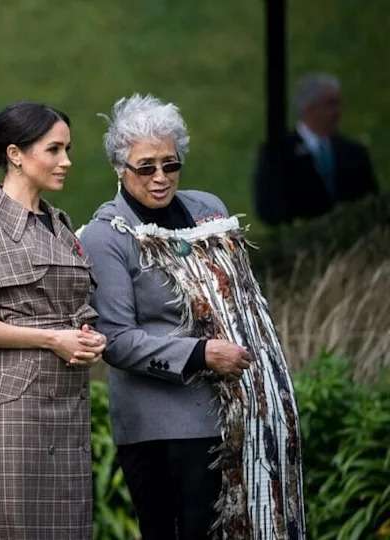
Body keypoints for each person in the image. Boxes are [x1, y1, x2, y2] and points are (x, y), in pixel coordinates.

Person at [80, 94, 305, 539]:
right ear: (119, 169)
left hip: (240, 413)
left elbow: (238, 297)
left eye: (171, 164)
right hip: (162, 429)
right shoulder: (107, 235)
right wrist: (202, 354)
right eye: (145, 167)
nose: (161, 178)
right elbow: (118, 340)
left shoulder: (209, 210)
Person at [0, 101, 106, 538]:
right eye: (54, 150)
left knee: (71, 530)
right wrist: (52, 340)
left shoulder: (59, 222)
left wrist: (88, 337)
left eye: (68, 149)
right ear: (15, 154)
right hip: (15, 405)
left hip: (69, 402)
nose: (66, 161)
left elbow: (78, 306)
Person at [254, 72, 379, 225]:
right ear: (309, 108)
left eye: (338, 104)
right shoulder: (278, 152)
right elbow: (268, 209)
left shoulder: (354, 153)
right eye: (330, 104)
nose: (337, 112)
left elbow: (373, 203)